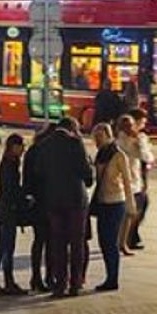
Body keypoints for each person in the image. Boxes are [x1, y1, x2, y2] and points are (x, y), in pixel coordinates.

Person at [35, 117, 94, 297]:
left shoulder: (44, 145)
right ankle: (75, 284)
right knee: (77, 243)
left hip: (53, 201)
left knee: (57, 243)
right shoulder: (75, 143)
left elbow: (39, 174)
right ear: (73, 128)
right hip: (76, 201)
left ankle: (60, 284)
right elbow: (86, 173)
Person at [90, 123, 134, 292]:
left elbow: (127, 181)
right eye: (95, 138)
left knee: (110, 242)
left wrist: (131, 204)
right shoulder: (100, 155)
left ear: (108, 136)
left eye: (100, 137)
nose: (97, 141)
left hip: (116, 202)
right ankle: (109, 276)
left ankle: (113, 278)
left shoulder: (118, 155)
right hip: (102, 202)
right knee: (103, 241)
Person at [0, 134, 28, 296]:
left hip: (4, 210)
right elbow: (11, 190)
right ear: (13, 147)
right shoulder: (9, 164)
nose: (23, 149)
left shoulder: (10, 162)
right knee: (5, 247)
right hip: (7, 211)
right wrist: (24, 197)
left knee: (3, 247)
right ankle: (3, 282)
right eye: (21, 146)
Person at [22, 123, 57, 292]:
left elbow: (26, 179)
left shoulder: (33, 150)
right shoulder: (47, 151)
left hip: (36, 203)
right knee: (50, 241)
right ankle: (49, 277)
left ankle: (36, 277)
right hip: (48, 202)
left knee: (39, 241)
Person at [117, 111, 155, 252]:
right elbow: (144, 156)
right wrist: (139, 141)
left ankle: (129, 237)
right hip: (129, 181)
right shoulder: (124, 141)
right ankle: (127, 239)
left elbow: (148, 157)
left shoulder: (138, 138)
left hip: (136, 178)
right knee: (132, 211)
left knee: (138, 208)